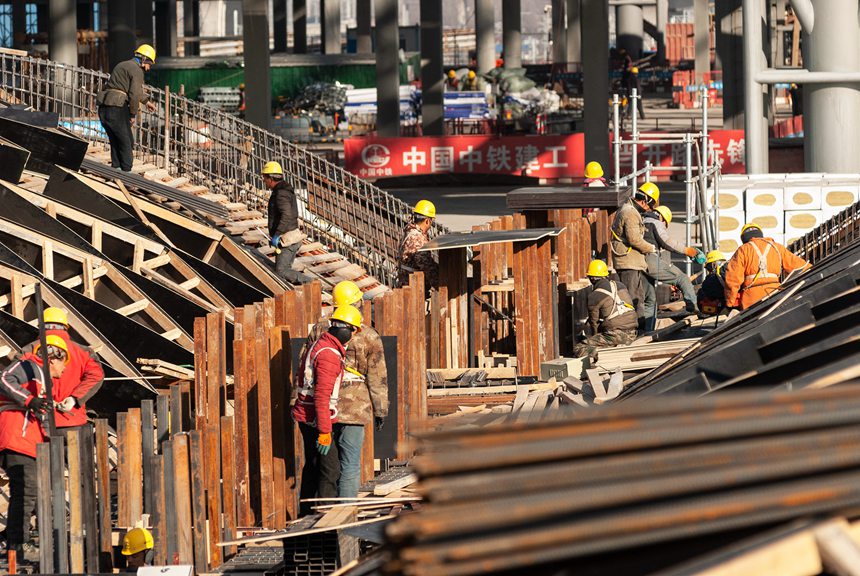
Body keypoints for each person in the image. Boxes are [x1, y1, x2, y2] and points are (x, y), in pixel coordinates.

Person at [302, 281, 388, 498]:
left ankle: (320, 515)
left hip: (321, 404)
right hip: (354, 407)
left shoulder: (320, 328)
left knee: (323, 465)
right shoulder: (367, 334)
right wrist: (381, 410)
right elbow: (377, 376)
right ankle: (346, 520)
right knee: (349, 465)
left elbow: (305, 362)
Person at [0, 335, 69, 563]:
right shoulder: (29, 366)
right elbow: (4, 378)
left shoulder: (40, 377)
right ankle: (18, 543)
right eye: (63, 362)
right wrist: (30, 400)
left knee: (32, 491)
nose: (64, 368)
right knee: (26, 491)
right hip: (17, 437)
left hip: (28, 440)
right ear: (53, 357)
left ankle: (19, 540)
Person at [292, 305, 363, 514]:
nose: (351, 337)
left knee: (313, 466)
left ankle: (304, 514)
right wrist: (324, 432)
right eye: (352, 331)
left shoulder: (320, 344)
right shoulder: (329, 355)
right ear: (345, 330)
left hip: (308, 416)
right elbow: (322, 397)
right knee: (330, 469)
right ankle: (325, 518)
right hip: (316, 419)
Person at [21, 308, 104, 432]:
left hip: (39, 423)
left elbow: (15, 380)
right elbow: (97, 375)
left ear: (41, 327)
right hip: (73, 422)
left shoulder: (30, 350)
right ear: (66, 327)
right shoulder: (84, 351)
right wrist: (74, 399)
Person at [642, 205, 704, 330]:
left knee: (650, 300)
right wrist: (688, 250)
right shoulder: (656, 222)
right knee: (682, 279)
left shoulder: (642, 220)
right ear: (663, 218)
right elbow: (667, 242)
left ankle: (646, 331)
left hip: (638, 263)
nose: (664, 227)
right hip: (650, 259)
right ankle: (695, 308)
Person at [97, 44, 158, 172]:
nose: (148, 68)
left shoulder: (122, 65)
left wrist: (147, 102)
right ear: (144, 59)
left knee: (115, 139)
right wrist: (132, 114)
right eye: (149, 64)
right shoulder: (136, 70)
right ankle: (126, 173)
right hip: (117, 107)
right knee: (126, 141)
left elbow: (127, 88)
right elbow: (134, 94)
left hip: (104, 107)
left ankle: (116, 168)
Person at [724, 223, 810, 310]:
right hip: (774, 292)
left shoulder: (742, 250)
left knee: (755, 322)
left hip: (752, 297)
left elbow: (732, 279)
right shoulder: (777, 247)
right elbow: (800, 266)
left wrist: (729, 302)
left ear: (743, 237)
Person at [610, 181, 659, 324]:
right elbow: (634, 239)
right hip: (628, 262)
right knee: (633, 299)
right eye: (650, 206)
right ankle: (635, 329)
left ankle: (637, 326)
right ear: (644, 201)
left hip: (631, 262)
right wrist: (650, 248)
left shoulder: (630, 210)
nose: (649, 210)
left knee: (638, 297)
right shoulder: (630, 213)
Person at [572, 260, 638, 358]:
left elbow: (594, 324)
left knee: (579, 348)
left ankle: (605, 356)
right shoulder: (620, 285)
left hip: (616, 335)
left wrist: (594, 339)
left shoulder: (594, 296)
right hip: (633, 332)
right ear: (606, 275)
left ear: (592, 278)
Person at [263, 160, 311, 285]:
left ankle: (310, 283)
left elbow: (287, 214)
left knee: (281, 271)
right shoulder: (284, 190)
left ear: (270, 178)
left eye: (264, 178)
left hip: (287, 239)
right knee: (282, 270)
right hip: (289, 236)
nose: (264, 181)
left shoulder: (281, 194)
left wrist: (277, 234)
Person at [397, 200, 439, 288]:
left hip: (408, 283)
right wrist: (439, 283)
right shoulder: (417, 237)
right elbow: (425, 263)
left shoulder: (409, 231)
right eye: (431, 221)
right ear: (427, 221)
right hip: (412, 287)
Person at [697, 250, 729, 316]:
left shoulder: (713, 278)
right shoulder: (731, 268)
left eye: (709, 268)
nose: (709, 271)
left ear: (714, 265)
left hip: (726, 305)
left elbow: (707, 290)